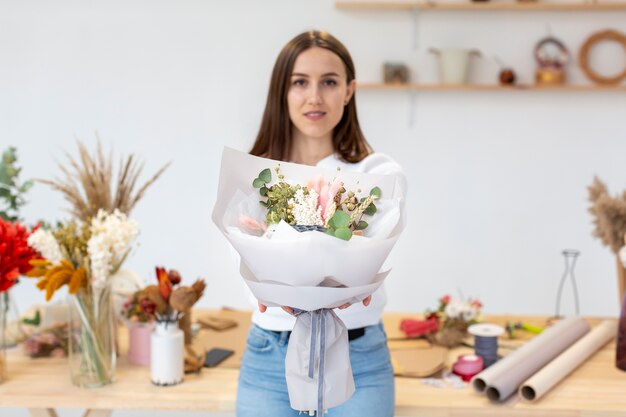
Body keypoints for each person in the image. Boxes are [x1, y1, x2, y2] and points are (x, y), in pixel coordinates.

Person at [236, 30, 407, 417]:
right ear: (282, 90)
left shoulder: (377, 174)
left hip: (359, 354)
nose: (314, 97)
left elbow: (365, 257)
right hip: (270, 357)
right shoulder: (253, 174)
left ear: (349, 90)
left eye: (329, 82)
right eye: (300, 82)